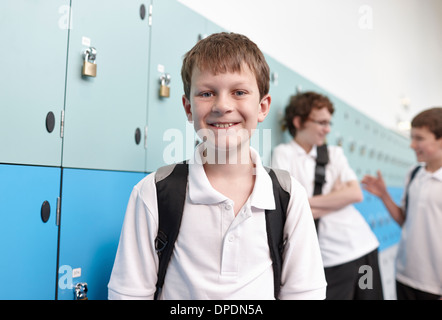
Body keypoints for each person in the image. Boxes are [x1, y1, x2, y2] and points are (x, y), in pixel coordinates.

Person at [107, 32, 326, 299]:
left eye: (239, 92)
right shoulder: (153, 193)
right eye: (207, 93)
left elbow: (304, 293)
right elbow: (128, 294)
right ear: (188, 108)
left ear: (263, 106)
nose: (222, 106)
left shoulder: (288, 196)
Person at [272, 91, 383, 300]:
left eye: (329, 123)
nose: (328, 129)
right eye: (322, 122)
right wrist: (336, 197)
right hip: (328, 260)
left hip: (362, 251)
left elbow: (355, 194)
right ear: (298, 121)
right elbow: (287, 209)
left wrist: (305, 204)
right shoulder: (283, 154)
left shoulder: (334, 154)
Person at [361, 107, 442, 300]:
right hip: (406, 275)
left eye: (419, 138)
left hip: (436, 286)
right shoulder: (414, 174)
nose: (412, 145)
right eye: (412, 137)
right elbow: (406, 221)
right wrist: (384, 195)